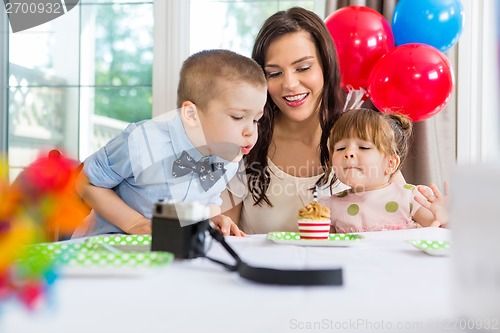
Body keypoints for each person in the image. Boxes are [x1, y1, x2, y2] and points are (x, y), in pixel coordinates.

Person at [75, 49, 267, 237]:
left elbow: (202, 204)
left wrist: (212, 217)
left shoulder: (228, 159)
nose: (250, 131)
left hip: (166, 253)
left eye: (256, 120)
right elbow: (86, 183)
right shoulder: (142, 142)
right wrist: (135, 223)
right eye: (237, 117)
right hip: (105, 249)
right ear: (192, 115)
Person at [221, 7, 347, 234]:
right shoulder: (245, 141)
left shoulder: (365, 135)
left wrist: (430, 212)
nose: (289, 84)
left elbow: (399, 213)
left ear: (326, 66)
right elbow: (224, 234)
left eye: (303, 68)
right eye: (275, 73)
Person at [318, 108, 448, 233]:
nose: (349, 153)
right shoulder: (330, 207)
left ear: (390, 163)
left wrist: (445, 220)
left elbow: (440, 233)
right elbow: (325, 250)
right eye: (340, 148)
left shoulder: (409, 198)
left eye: (363, 147)